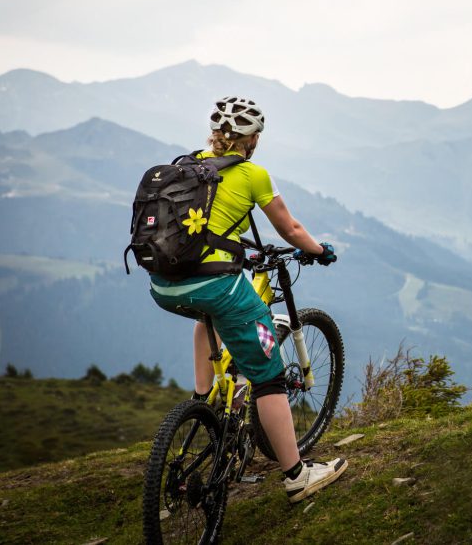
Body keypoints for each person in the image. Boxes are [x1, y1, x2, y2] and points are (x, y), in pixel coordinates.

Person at [148, 96, 347, 503]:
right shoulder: (253, 174)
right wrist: (317, 250)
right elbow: (289, 227)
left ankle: (203, 403)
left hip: (164, 284)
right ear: (252, 138)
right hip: (214, 284)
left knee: (209, 317)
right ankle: (296, 476)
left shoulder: (188, 165)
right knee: (269, 378)